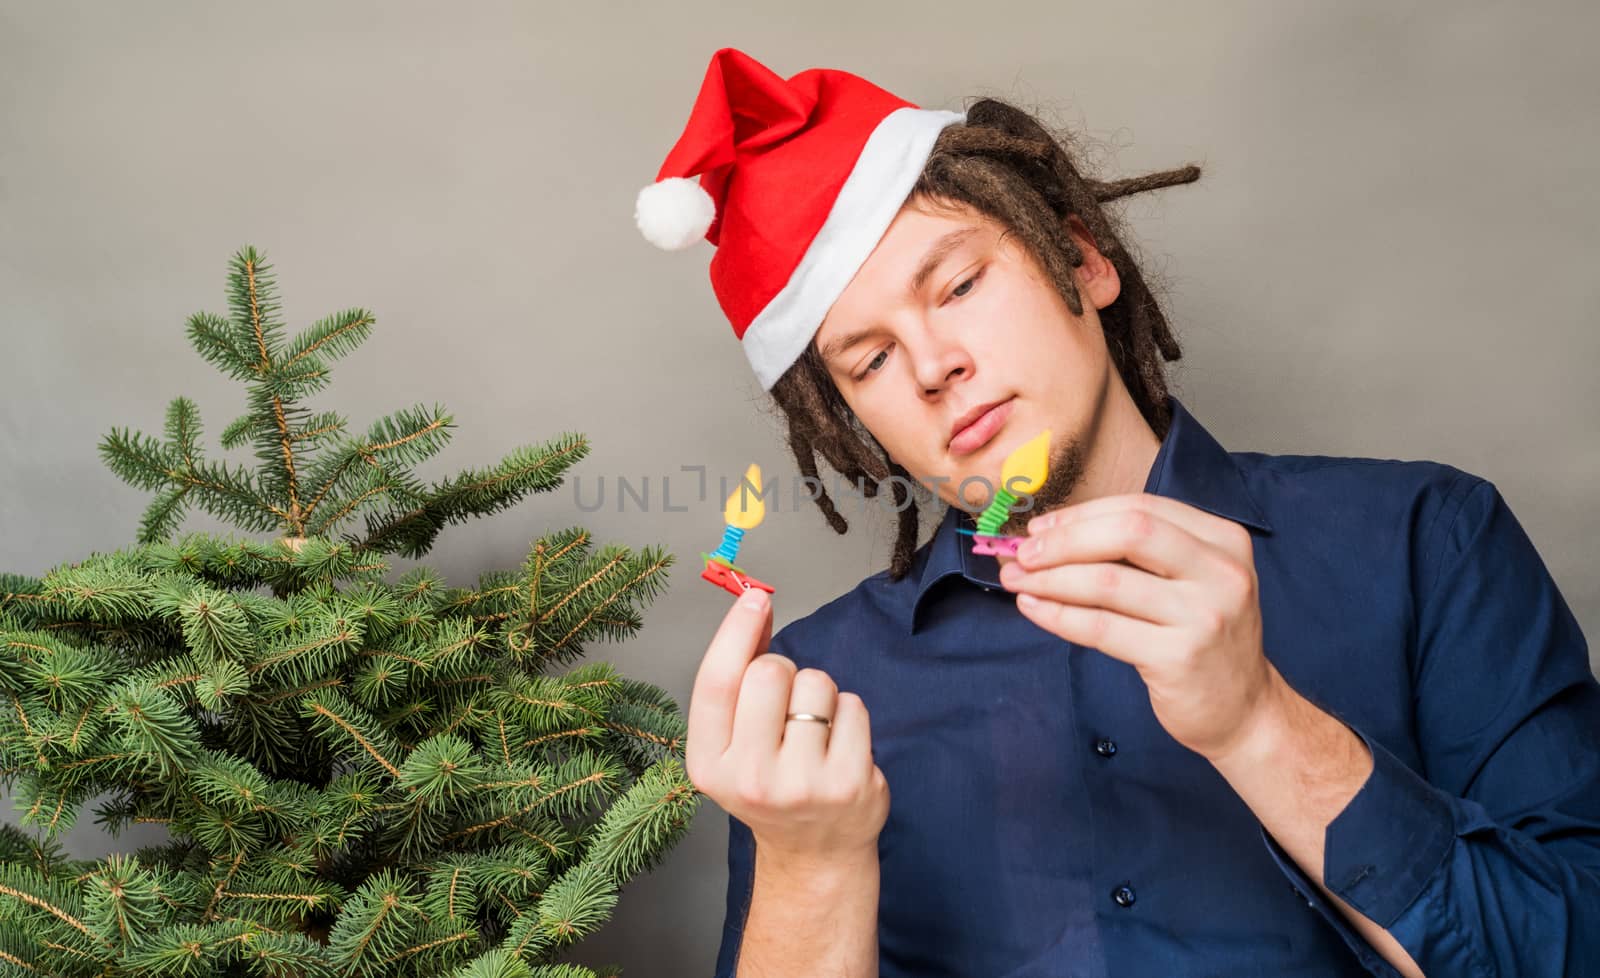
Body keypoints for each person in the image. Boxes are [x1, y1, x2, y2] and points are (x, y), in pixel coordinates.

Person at [636, 47, 1600, 977]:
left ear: (1083, 260)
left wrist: (1258, 723)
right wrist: (812, 867)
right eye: (873, 360)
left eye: (961, 285)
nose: (934, 366)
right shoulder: (816, 693)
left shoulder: (1429, 541)